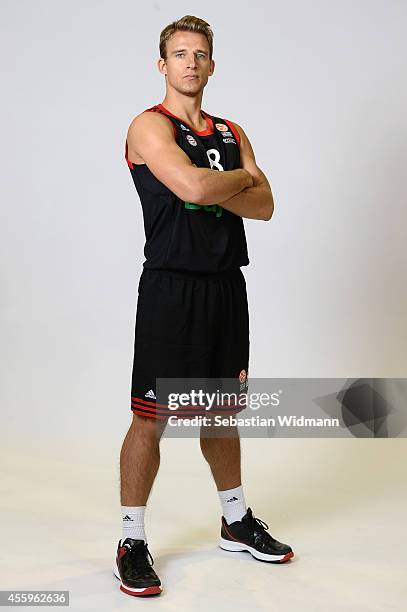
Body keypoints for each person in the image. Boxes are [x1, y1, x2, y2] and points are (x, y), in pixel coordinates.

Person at [114, 15, 294, 598]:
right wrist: (236, 181)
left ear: (212, 65)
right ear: (162, 65)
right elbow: (193, 189)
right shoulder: (148, 126)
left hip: (225, 286)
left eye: (200, 54)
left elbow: (265, 206)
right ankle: (131, 539)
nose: (190, 62)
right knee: (153, 415)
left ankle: (235, 520)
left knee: (221, 412)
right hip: (171, 287)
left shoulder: (229, 131)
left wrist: (229, 180)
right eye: (179, 53)